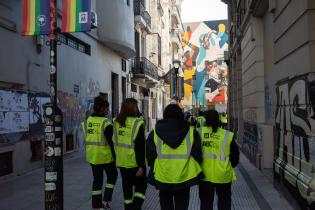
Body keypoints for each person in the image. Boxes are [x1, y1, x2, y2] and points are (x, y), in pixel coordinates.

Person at [146, 104, 203, 210]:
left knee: (165, 204)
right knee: (182, 205)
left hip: (163, 176)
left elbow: (150, 155)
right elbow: (198, 154)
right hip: (185, 177)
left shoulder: (155, 132)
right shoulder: (191, 131)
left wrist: (156, 166)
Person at [81, 96, 118, 210]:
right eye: (106, 108)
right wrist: (116, 157)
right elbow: (111, 143)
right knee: (113, 176)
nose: (107, 111)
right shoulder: (106, 123)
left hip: (92, 156)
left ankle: (96, 206)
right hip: (106, 157)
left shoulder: (88, 121)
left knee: (97, 180)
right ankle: (105, 200)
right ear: (102, 109)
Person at [198, 110, 239, 210]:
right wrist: (230, 165)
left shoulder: (199, 132)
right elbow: (235, 156)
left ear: (206, 119)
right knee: (224, 201)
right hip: (223, 174)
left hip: (204, 175)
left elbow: (195, 153)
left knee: (206, 203)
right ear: (218, 119)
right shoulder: (227, 135)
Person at [113, 98, 147, 210]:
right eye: (136, 107)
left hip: (122, 162)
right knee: (141, 187)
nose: (138, 109)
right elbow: (140, 147)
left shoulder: (116, 122)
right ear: (133, 108)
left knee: (127, 189)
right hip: (134, 163)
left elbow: (114, 141)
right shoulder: (137, 123)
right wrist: (141, 166)